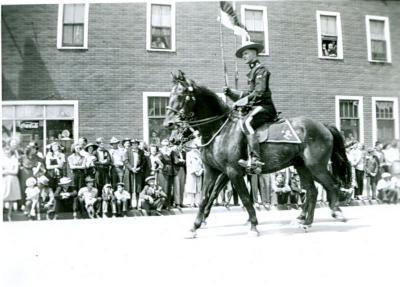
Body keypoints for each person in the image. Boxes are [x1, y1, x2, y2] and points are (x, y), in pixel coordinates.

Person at [223, 41, 277, 173]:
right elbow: (248, 93)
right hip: (255, 107)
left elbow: (259, 92)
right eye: (243, 55)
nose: (244, 56)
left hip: (264, 107)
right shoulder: (253, 71)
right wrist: (231, 93)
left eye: (246, 53)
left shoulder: (261, 70)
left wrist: (242, 101)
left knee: (246, 123)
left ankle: (255, 159)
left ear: (254, 53)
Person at [123, 139, 146, 209]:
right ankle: (130, 205)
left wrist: (140, 168)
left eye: (136, 144)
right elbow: (125, 161)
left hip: (138, 172)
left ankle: (137, 205)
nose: (134, 145)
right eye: (133, 144)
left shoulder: (141, 152)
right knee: (129, 188)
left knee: (138, 189)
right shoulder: (127, 151)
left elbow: (143, 161)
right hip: (130, 172)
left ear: (138, 144)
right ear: (131, 144)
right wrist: (131, 168)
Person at [2, 144, 22, 221]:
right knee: (3, 197)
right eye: (5, 150)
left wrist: (6, 171)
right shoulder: (2, 159)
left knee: (11, 198)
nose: (7, 152)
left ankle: (9, 215)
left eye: (8, 150)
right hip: (3, 179)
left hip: (12, 179)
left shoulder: (14, 159)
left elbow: (15, 171)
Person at [184, 139, 203, 207]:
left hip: (199, 171)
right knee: (191, 187)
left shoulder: (200, 154)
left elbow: (202, 163)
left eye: (197, 145)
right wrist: (194, 171)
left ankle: (197, 202)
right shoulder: (189, 154)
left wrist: (201, 171)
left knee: (198, 188)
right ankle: (191, 202)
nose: (196, 147)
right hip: (192, 173)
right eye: (194, 145)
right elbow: (188, 164)